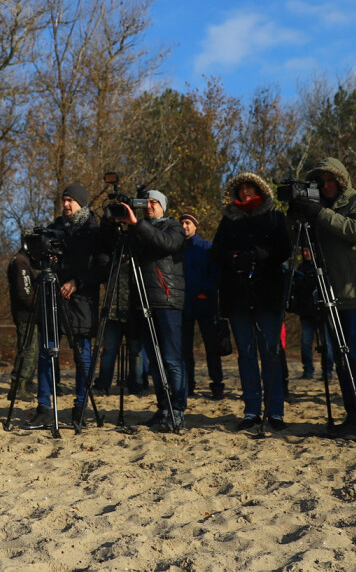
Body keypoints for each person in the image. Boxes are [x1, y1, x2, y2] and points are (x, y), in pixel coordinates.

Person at [287, 157, 356, 437]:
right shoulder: (322, 209)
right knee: (341, 359)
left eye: (331, 180)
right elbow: (297, 243)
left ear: (341, 180)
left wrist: (318, 213)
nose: (327, 186)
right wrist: (295, 216)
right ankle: (354, 417)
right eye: (322, 182)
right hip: (332, 293)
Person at [212, 174, 292, 431]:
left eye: (250, 187)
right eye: (241, 189)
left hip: (268, 293)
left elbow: (286, 249)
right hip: (237, 295)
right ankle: (251, 410)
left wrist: (262, 255)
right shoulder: (228, 220)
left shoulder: (274, 216)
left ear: (259, 189)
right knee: (246, 354)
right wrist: (234, 258)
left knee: (271, 352)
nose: (245, 192)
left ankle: (275, 411)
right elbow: (216, 253)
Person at [25, 183, 107, 430]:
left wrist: (78, 281)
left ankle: (80, 407)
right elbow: (38, 259)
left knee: (82, 354)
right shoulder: (54, 229)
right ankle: (44, 408)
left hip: (82, 301)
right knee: (46, 353)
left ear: (82, 203)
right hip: (53, 298)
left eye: (71, 200)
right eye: (64, 200)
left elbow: (103, 268)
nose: (66, 205)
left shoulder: (95, 230)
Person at [110, 189, 188, 430]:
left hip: (166, 299)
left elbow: (165, 243)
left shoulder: (173, 227)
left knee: (172, 359)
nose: (150, 206)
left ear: (163, 206)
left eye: (154, 203)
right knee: (154, 360)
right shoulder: (139, 230)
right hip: (143, 302)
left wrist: (137, 224)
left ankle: (177, 410)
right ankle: (163, 408)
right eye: (147, 203)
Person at [179, 211, 226, 401]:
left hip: (206, 305)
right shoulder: (176, 249)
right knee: (184, 350)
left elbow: (215, 274)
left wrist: (204, 292)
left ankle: (217, 386)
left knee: (212, 348)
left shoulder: (207, 247)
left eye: (188, 222)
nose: (185, 226)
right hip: (183, 305)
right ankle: (188, 385)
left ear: (196, 226)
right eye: (182, 222)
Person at [7, 249, 38, 391]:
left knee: (31, 350)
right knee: (28, 350)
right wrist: (40, 304)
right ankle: (19, 386)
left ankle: (24, 385)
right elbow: (25, 294)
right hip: (26, 315)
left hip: (28, 314)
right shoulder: (21, 262)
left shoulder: (25, 261)